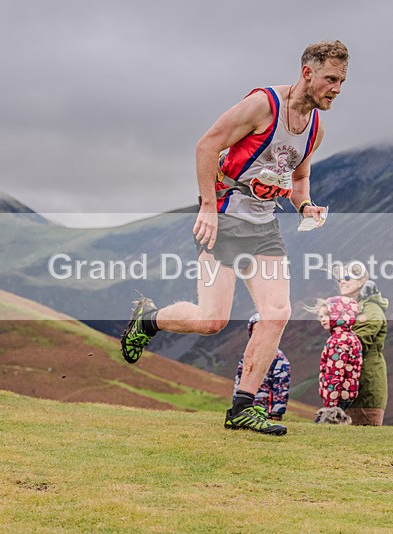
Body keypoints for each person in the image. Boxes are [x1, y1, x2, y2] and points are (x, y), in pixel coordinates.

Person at [120, 40, 349, 435]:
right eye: (331, 79)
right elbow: (207, 144)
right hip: (224, 220)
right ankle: (149, 320)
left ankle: (242, 407)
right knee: (212, 320)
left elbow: (298, 178)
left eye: (342, 81)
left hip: (263, 228)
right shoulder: (263, 105)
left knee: (277, 312)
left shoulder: (315, 129)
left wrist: (306, 206)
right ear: (308, 73)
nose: (337, 89)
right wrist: (207, 205)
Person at [335, 264, 389, 426]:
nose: (341, 282)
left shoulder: (372, 309)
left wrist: (334, 347)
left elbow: (358, 342)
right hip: (349, 383)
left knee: (364, 439)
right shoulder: (351, 309)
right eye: (339, 279)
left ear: (361, 282)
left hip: (366, 385)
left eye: (347, 278)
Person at [309, 296, 362, 424]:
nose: (322, 319)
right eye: (321, 316)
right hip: (345, 392)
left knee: (326, 425)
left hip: (336, 396)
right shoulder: (350, 336)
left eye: (327, 315)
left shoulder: (338, 340)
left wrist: (329, 404)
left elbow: (335, 373)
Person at [232, 313, 290, 421]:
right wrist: (236, 404)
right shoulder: (247, 356)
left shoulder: (279, 359)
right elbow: (238, 382)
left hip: (266, 412)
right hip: (246, 410)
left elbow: (281, 386)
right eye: (255, 330)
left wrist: (277, 412)